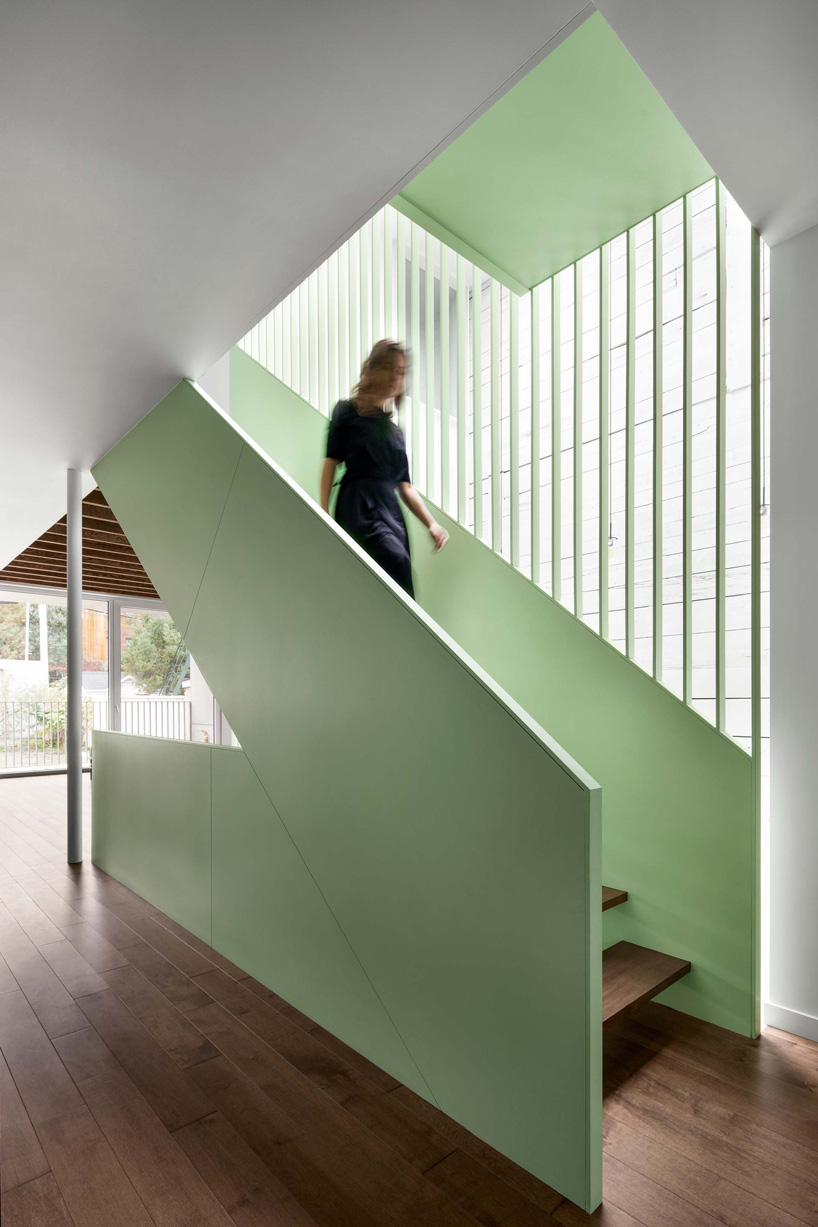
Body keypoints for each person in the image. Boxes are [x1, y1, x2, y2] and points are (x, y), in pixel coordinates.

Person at [320, 340, 448, 598]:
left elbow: (405, 486)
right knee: (393, 560)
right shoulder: (346, 411)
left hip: (391, 514)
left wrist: (432, 524)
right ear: (374, 368)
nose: (395, 377)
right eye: (390, 368)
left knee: (400, 581)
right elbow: (330, 462)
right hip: (358, 505)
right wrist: (322, 511)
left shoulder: (395, 432)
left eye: (401, 372)